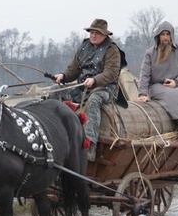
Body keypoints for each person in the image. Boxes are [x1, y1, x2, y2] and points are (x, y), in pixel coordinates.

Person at [51, 18, 127, 161]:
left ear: (105, 35)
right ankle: (55, 133)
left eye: (97, 33)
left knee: (93, 100)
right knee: (55, 91)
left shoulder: (112, 50)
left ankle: (90, 144)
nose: (93, 35)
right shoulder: (84, 46)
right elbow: (74, 69)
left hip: (105, 89)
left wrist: (95, 80)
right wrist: (63, 75)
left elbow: (111, 73)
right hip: (81, 87)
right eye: (91, 32)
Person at [137, 20, 178, 141]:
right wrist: (142, 94)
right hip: (156, 86)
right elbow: (144, 75)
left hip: (175, 85)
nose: (165, 37)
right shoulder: (150, 53)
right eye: (162, 34)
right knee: (170, 94)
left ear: (172, 36)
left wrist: (177, 82)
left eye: (168, 34)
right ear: (158, 36)